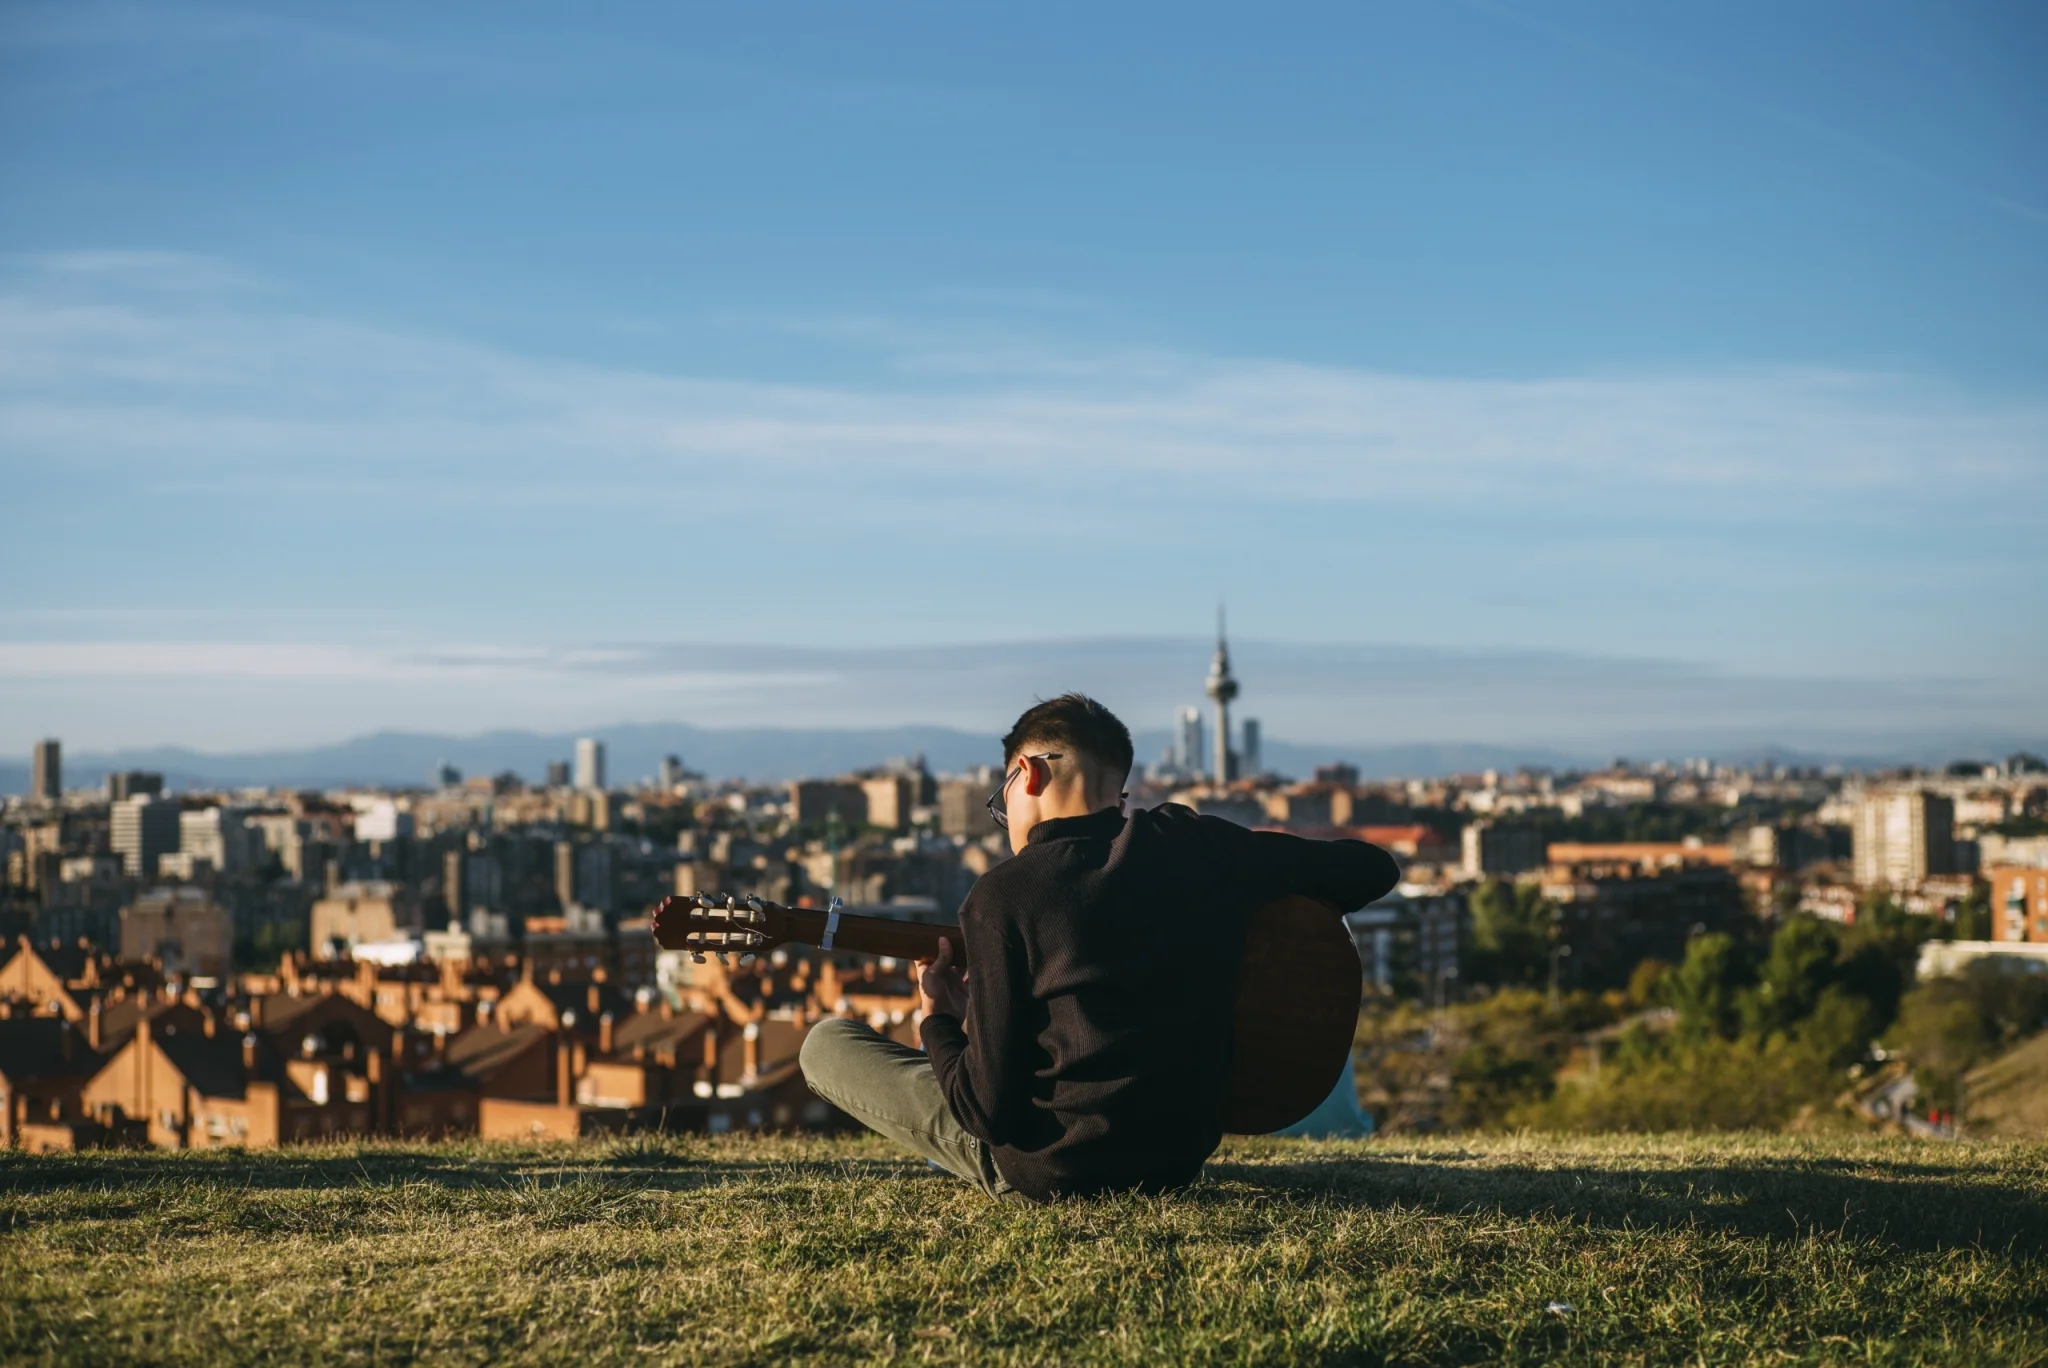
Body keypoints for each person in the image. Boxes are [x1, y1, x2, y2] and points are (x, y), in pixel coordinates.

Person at [798, 693, 1400, 1201]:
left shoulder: (1004, 894)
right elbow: (1372, 869)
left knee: (826, 1043)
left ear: (1027, 775)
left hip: (1053, 1170)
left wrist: (941, 1020)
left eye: (999, 798)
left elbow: (988, 1115)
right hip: (1174, 1165)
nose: (1002, 816)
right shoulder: (1196, 844)